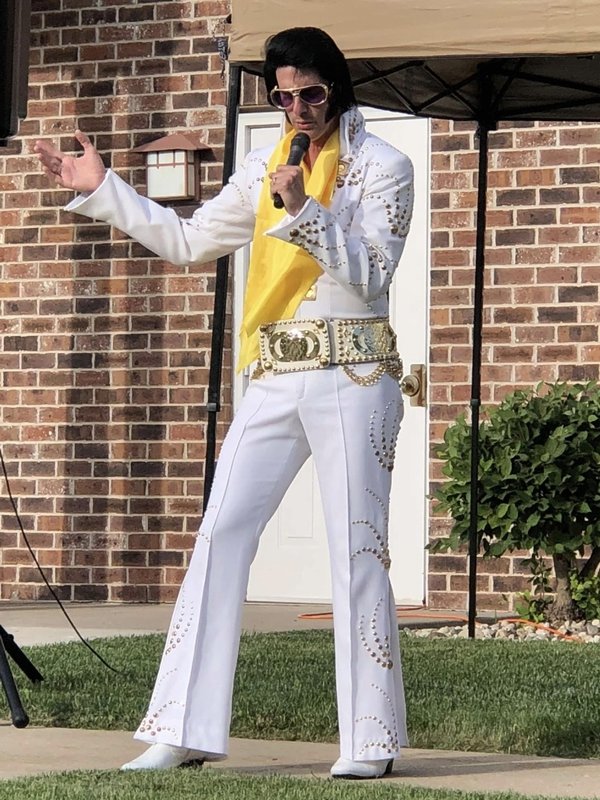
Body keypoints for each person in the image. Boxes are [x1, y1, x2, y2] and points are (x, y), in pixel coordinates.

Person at [35, 26, 414, 780]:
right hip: (274, 374)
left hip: (356, 375)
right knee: (219, 539)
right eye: (284, 96)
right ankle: (184, 727)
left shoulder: (384, 166)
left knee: (356, 550)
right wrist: (104, 189)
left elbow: (372, 274)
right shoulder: (261, 167)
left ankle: (369, 740)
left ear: (336, 88)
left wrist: (305, 209)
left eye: (311, 94)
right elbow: (187, 242)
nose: (298, 109)